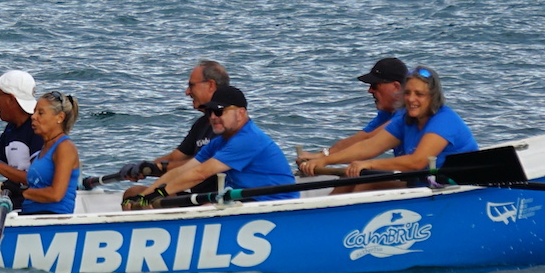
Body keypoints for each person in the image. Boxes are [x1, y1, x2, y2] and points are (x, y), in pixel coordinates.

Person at [127, 86, 296, 206]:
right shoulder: (219, 143)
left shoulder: (248, 139)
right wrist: (145, 195)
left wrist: (159, 193)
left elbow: (200, 173)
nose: (213, 117)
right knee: (134, 194)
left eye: (220, 111)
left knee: (206, 207)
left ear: (241, 113)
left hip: (273, 203)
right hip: (241, 199)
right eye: (210, 112)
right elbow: (183, 170)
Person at [317, 66, 478, 192]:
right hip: (422, 185)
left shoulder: (445, 120)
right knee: (350, 178)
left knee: (365, 186)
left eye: (419, 94)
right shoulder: (405, 120)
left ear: (432, 97)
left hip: (456, 189)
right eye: (407, 93)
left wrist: (370, 165)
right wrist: (325, 160)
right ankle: (321, 220)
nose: (411, 99)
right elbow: (368, 147)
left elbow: (417, 162)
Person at [112, 60, 226, 196]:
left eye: (191, 86)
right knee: (132, 193)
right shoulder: (202, 123)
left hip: (221, 198)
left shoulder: (228, 126)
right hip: (198, 196)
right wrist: (143, 167)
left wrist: (156, 169)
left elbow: (202, 167)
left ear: (211, 85)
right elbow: (175, 157)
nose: (187, 92)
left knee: (148, 200)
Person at [296, 57, 408, 176]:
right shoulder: (387, 113)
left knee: (362, 184)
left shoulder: (407, 114)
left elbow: (370, 142)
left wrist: (324, 160)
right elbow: (362, 137)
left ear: (396, 87)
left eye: (374, 85)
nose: (369, 91)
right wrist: (322, 155)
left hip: (417, 180)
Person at [20, 91, 81, 215]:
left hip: (52, 216)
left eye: (40, 113)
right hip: (31, 214)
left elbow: (56, 194)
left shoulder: (65, 147)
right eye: (34, 111)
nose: (33, 116)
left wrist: (24, 193)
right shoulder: (45, 148)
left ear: (60, 117)